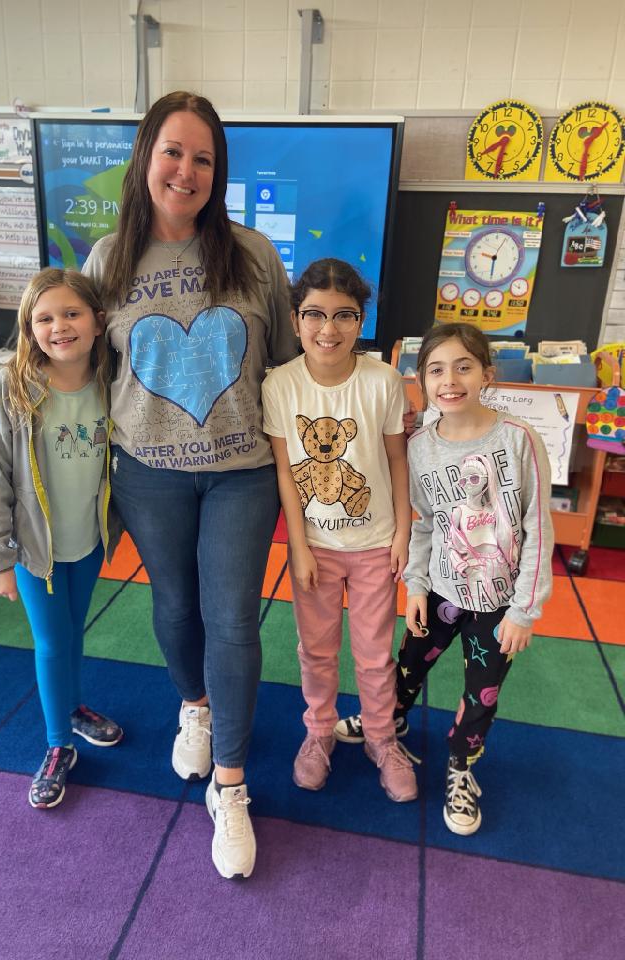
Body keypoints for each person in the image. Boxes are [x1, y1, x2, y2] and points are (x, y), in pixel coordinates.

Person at [335, 322, 553, 835]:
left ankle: (460, 767)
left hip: (499, 605)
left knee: (482, 694)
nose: (449, 380)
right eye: (436, 369)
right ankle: (387, 721)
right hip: (439, 593)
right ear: (420, 379)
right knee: (406, 668)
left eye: (463, 367)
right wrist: (414, 586)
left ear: (486, 374)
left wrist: (524, 610)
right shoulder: (419, 447)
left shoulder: (519, 440)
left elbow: (538, 527)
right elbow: (423, 523)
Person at [262, 258, 417, 802]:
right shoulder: (280, 385)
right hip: (316, 550)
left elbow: (398, 460)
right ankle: (320, 732)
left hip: (376, 544)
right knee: (317, 649)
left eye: (344, 316)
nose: (328, 329)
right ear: (295, 317)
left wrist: (402, 533)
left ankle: (380, 737)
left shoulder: (383, 381)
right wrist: (297, 546)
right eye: (314, 315)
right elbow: (286, 470)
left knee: (375, 653)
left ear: (361, 319)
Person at [0, 268, 124, 810]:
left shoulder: (114, 380)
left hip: (90, 540)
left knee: (72, 632)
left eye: (72, 313)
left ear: (98, 321)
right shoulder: (10, 390)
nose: (60, 327)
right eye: (45, 318)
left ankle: (73, 707)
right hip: (37, 550)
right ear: (29, 328)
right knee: (54, 642)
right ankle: (59, 745)